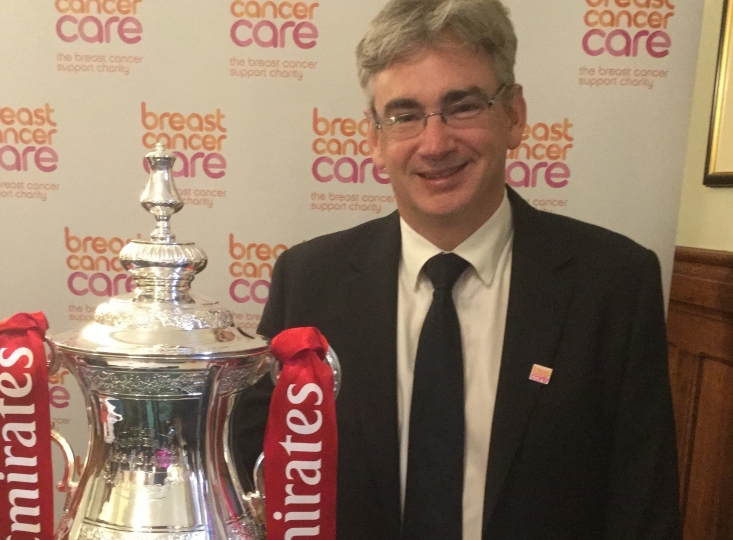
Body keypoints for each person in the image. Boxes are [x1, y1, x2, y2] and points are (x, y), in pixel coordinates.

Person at [235, 0, 681, 538]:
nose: (435, 142)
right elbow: (252, 475)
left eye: (463, 106)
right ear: (375, 139)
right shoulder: (308, 280)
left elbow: (642, 504)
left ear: (513, 115)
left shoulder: (614, 282)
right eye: (404, 115)